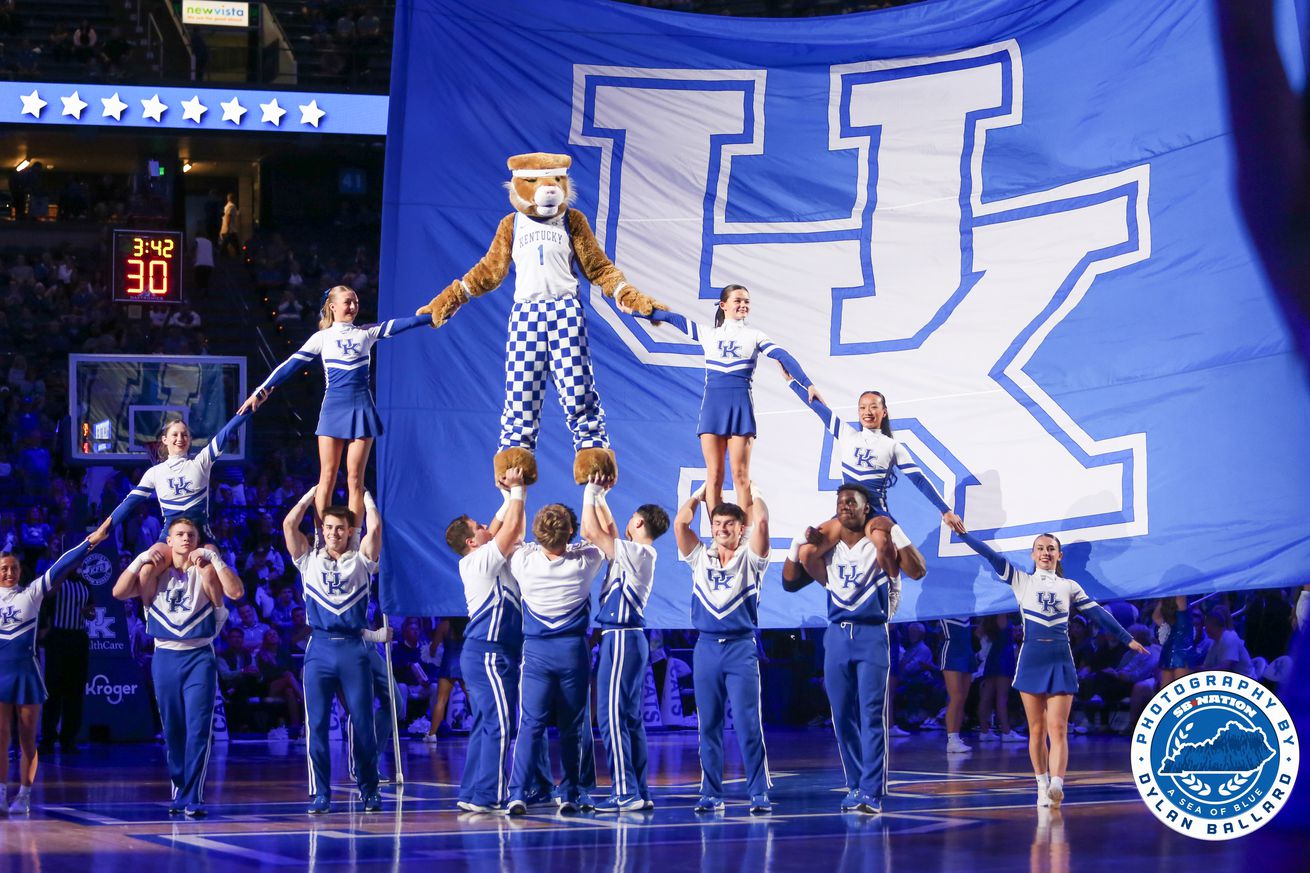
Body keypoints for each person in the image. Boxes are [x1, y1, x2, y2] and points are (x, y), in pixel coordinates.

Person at [957, 530, 1146, 808]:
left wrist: (1127, 639)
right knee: (1036, 730)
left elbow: (1098, 615)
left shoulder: (1070, 586)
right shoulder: (1021, 580)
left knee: (1057, 728)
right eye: (1040, 548)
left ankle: (1057, 783)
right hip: (1032, 659)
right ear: (1033, 555)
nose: (1046, 552)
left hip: (1060, 658)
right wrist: (963, 534)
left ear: (1059, 555)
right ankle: (1042, 784)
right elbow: (989, 555)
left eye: (1051, 549)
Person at [239, 285, 432, 525]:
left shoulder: (366, 332)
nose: (352, 306)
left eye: (355, 302)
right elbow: (289, 365)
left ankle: (353, 537)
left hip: (362, 408)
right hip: (333, 409)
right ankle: (322, 536)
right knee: (327, 475)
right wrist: (260, 392)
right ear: (332, 307)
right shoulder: (322, 338)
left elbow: (403, 324)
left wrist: (432, 315)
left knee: (354, 479)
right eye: (347, 302)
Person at [625, 284, 821, 513]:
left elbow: (782, 355)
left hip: (740, 407)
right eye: (738, 300)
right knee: (714, 475)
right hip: (713, 408)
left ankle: (744, 538)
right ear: (723, 305)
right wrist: (634, 310)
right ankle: (718, 540)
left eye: (746, 301)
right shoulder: (708, 334)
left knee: (740, 475)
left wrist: (808, 384)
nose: (743, 305)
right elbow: (670, 318)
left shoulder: (755, 336)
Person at [112, 518, 243, 817]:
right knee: (173, 729)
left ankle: (194, 794)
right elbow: (118, 593)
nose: (186, 539)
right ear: (168, 541)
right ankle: (180, 787)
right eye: (180, 535)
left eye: (191, 535)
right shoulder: (154, 574)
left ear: (198, 540)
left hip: (199, 656)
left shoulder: (205, 570)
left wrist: (215, 557)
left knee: (198, 728)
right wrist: (141, 557)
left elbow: (236, 593)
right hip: (166, 657)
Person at [783, 485, 899, 815]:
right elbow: (790, 581)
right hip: (836, 635)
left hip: (871, 633)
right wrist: (801, 547)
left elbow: (903, 570)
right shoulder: (827, 549)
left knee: (871, 714)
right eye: (840, 503)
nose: (844, 507)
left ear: (867, 509)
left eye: (852, 502)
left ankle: (872, 791)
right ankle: (855, 784)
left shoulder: (879, 542)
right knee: (841, 714)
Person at [283, 486, 390, 814]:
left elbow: (375, 528)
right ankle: (321, 794)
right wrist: (308, 495)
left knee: (363, 723)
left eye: (340, 528)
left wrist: (367, 498)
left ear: (348, 532)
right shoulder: (308, 560)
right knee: (315, 725)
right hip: (320, 648)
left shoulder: (361, 562)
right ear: (322, 530)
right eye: (328, 527)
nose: (333, 533)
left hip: (354, 649)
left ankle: (369, 789)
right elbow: (289, 525)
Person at [790, 384, 966, 580]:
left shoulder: (892, 446)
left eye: (873, 407)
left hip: (874, 512)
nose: (868, 412)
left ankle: (893, 588)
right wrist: (795, 381)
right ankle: (837, 591)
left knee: (883, 542)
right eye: (862, 407)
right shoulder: (846, 434)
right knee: (807, 552)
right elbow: (816, 406)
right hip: (847, 514)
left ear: (884, 412)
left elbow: (920, 480)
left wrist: (946, 510)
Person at [673, 483, 773, 814]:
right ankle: (711, 793)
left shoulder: (751, 559)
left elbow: (761, 524)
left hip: (740, 648)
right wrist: (700, 496)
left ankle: (758, 791)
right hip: (706, 648)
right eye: (717, 524)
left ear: (739, 528)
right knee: (709, 725)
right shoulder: (701, 558)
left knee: (747, 723)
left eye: (729, 524)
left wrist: (753, 492)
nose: (721, 530)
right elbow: (680, 525)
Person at [505, 501, 606, 815]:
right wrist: (594, 492)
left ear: (538, 533)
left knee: (530, 725)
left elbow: (515, 533)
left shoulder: (522, 561)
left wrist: (515, 492)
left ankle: (517, 793)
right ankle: (571, 794)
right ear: (570, 532)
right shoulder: (585, 561)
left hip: (536, 653)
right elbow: (597, 534)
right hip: (572, 652)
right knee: (572, 726)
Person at [579, 474, 669, 812]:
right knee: (629, 719)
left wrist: (589, 492)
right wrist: (601, 496)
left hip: (620, 638)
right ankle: (639, 790)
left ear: (640, 521)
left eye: (631, 516)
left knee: (611, 717)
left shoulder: (639, 553)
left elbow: (592, 532)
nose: (627, 521)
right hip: (628, 639)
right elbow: (610, 531)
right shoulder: (634, 552)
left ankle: (625, 790)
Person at [444, 467, 529, 812]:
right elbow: (508, 532)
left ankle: (471, 792)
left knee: (485, 724)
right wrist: (519, 491)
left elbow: (500, 527)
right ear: (471, 542)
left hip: (490, 652)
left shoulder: (478, 553)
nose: (485, 529)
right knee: (499, 723)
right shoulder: (478, 560)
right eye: (479, 528)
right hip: (488, 652)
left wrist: (507, 495)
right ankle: (488, 795)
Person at [0, 531, 102, 815]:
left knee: (30, 735)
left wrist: (91, 541)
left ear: (21, 571)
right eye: (4, 569)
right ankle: (2, 791)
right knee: (4, 735)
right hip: (16, 664)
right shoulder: (35, 590)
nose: (9, 572)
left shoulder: (39, 592)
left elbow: (65, 569)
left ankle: (25, 793)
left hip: (43, 663)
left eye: (14, 568)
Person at [98, 413, 251, 560]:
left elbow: (226, 432)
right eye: (175, 434)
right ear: (164, 439)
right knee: (146, 570)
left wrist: (249, 405)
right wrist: (102, 530)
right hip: (168, 536)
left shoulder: (201, 462)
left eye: (184, 435)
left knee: (211, 570)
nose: (180, 438)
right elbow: (128, 504)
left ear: (190, 440)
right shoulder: (155, 472)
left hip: (201, 536)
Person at [38, 564, 94, 755]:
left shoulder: (85, 584)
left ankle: (68, 740)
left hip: (78, 638)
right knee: (53, 691)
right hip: (58, 637)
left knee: (75, 692)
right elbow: (46, 598)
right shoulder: (56, 581)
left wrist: (89, 613)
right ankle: (47, 739)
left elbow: (92, 611)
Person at [938, 617, 976, 754]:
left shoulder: (968, 607)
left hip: (967, 651)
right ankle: (951, 739)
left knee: (963, 698)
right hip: (951, 652)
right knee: (956, 697)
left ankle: (956, 737)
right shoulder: (946, 606)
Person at [1154, 595, 1194, 684]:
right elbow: (1156, 617)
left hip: (1175, 650)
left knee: (1171, 691)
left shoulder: (1173, 599)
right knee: (1178, 692)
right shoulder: (1181, 598)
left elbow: (1156, 617)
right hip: (1178, 650)